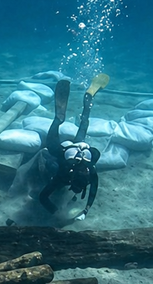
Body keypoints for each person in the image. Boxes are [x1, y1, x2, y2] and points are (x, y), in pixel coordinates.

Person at [36, 75, 106, 219]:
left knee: (84, 124)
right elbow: (42, 197)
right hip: (64, 150)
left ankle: (86, 99)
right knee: (51, 150)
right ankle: (60, 118)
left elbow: (93, 189)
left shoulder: (90, 168)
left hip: (80, 148)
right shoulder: (64, 174)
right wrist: (57, 214)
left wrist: (85, 211)